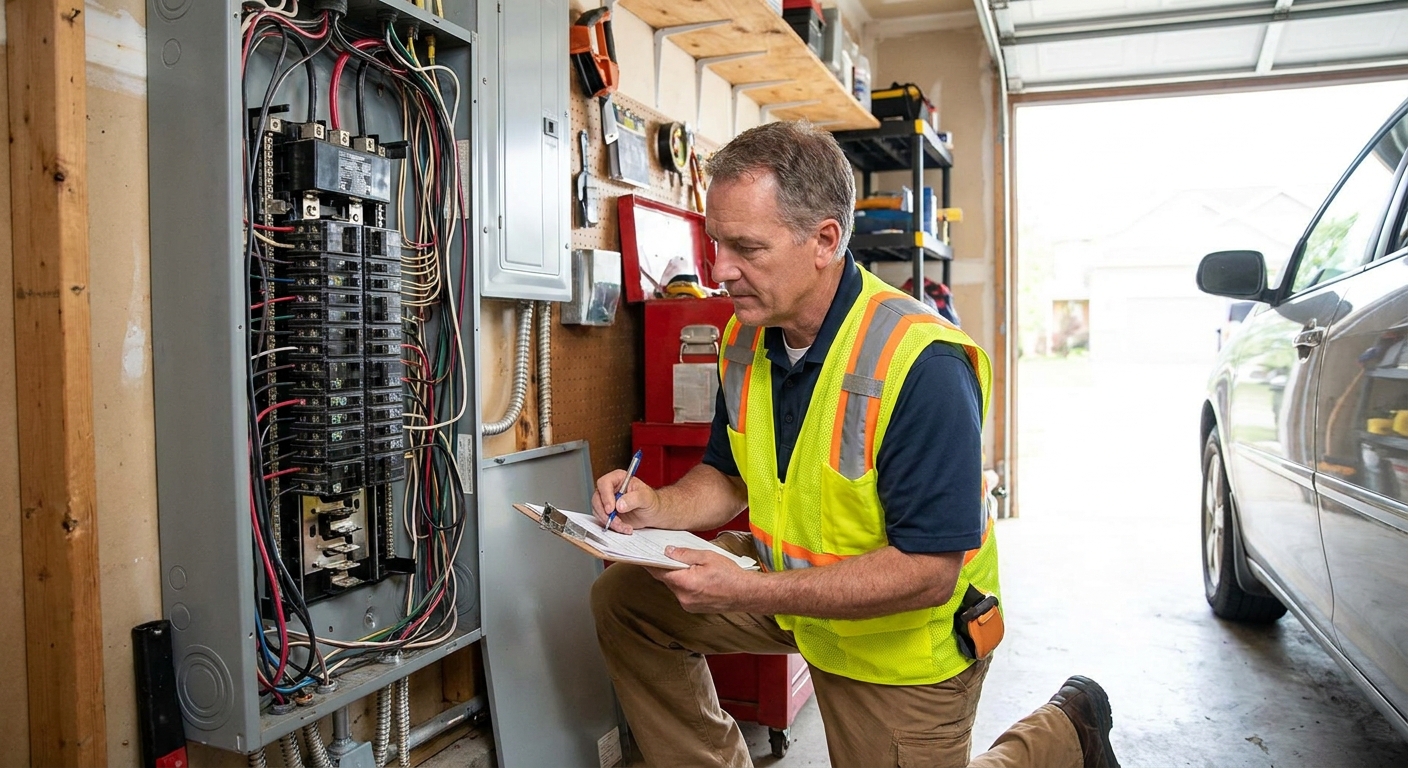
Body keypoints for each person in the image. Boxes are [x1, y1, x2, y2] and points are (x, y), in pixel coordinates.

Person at [589, 121, 1119, 768]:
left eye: (746, 248)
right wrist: (655, 506)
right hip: (795, 594)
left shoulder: (922, 365)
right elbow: (726, 477)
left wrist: (744, 591)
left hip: (901, 641)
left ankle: (1065, 732)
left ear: (825, 241)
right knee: (628, 601)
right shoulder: (745, 338)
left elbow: (928, 572)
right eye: (716, 242)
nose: (719, 270)